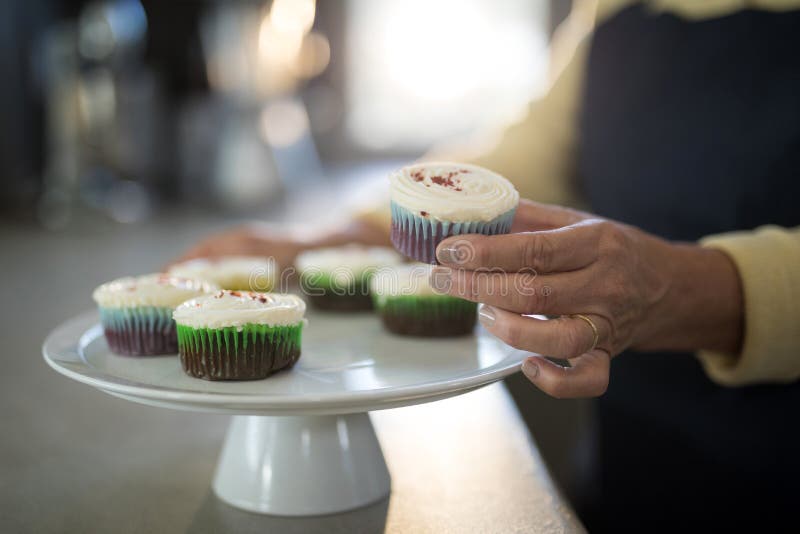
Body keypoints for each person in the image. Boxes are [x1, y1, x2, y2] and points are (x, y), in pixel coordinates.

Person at [177, 0, 800, 530]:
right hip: (638, 450)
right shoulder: (617, 13)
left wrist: (687, 290)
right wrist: (337, 239)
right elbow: (512, 167)